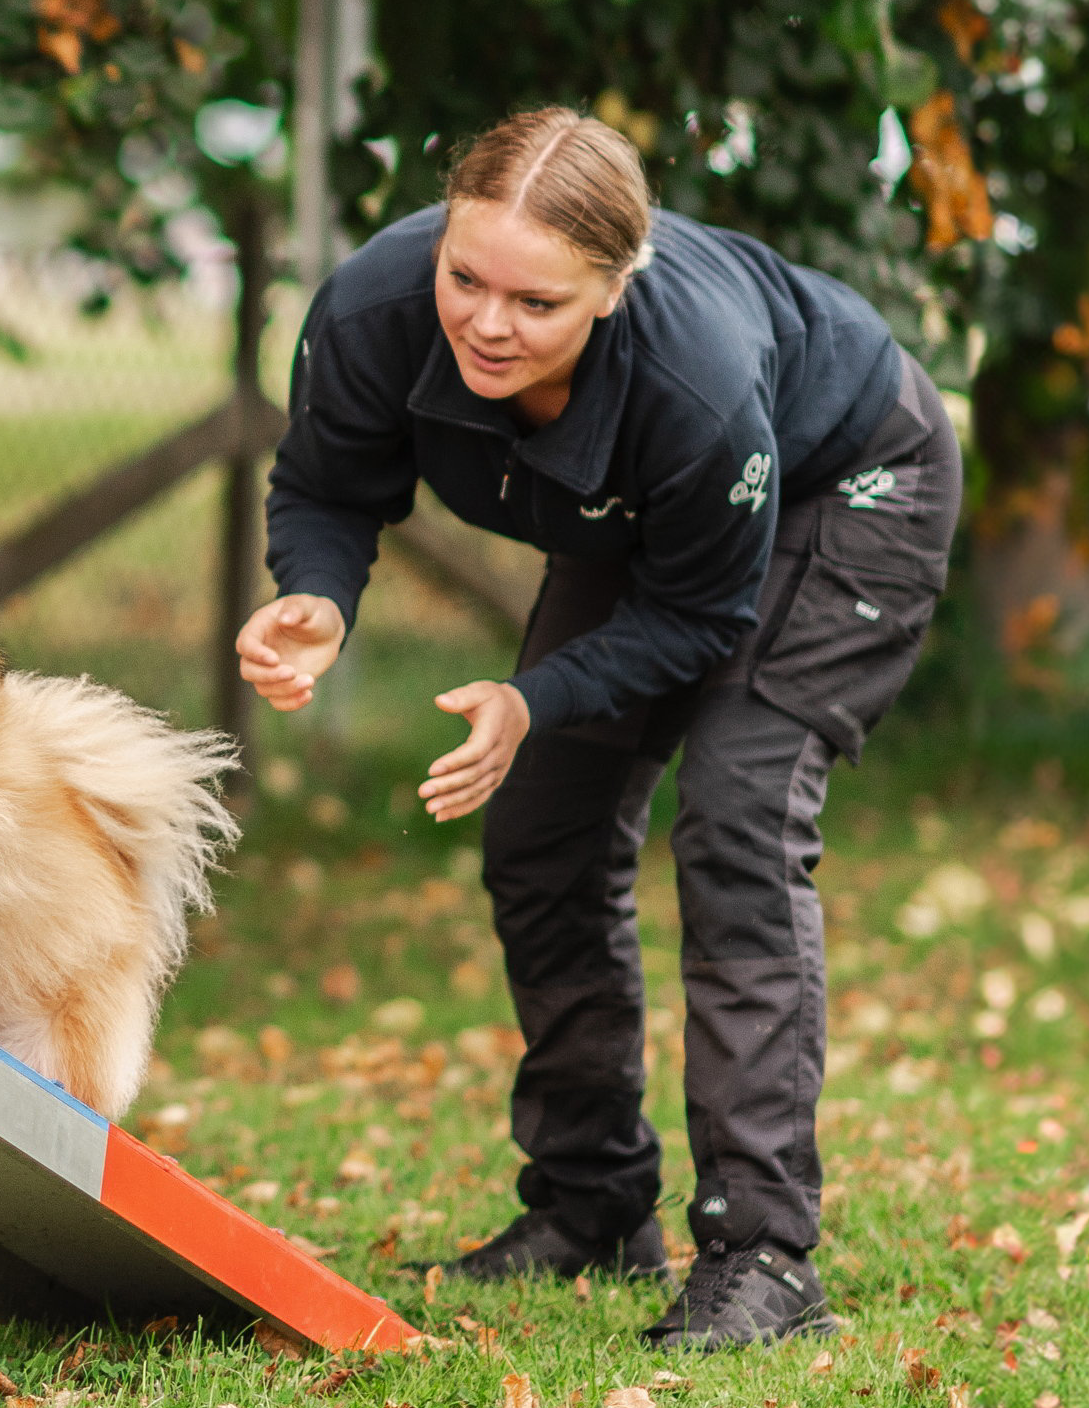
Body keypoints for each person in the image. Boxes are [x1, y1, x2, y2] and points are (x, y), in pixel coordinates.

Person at [236, 107, 960, 1349]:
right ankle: (592, 1201)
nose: (486, 322)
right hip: (649, 526)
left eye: (537, 303)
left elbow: (699, 613)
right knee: (541, 827)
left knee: (735, 815)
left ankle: (765, 1254)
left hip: (849, 482)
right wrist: (317, 591)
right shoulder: (370, 313)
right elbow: (326, 484)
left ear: (617, 286)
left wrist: (536, 696)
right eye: (466, 277)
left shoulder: (694, 375)